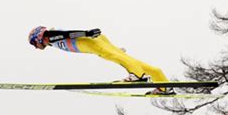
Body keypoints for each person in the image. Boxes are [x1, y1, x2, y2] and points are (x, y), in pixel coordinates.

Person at [28, 26, 175, 95]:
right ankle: (163, 83)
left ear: (38, 37)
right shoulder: (51, 39)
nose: (36, 47)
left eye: (34, 43)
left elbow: (67, 34)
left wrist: (87, 33)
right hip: (95, 40)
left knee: (112, 56)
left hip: (90, 42)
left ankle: (138, 76)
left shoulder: (50, 36)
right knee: (122, 57)